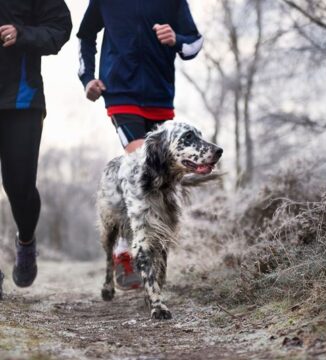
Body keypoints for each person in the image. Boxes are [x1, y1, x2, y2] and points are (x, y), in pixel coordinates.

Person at [77, 0, 203, 289]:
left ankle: (152, 246)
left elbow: (194, 41)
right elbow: (85, 35)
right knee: (139, 166)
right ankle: (124, 248)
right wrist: (87, 78)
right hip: (120, 92)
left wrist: (176, 39)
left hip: (160, 98)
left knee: (159, 179)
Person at [0, 0, 72, 289]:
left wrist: (23, 34)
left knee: (20, 188)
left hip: (21, 101)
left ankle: (26, 241)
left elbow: (60, 28)